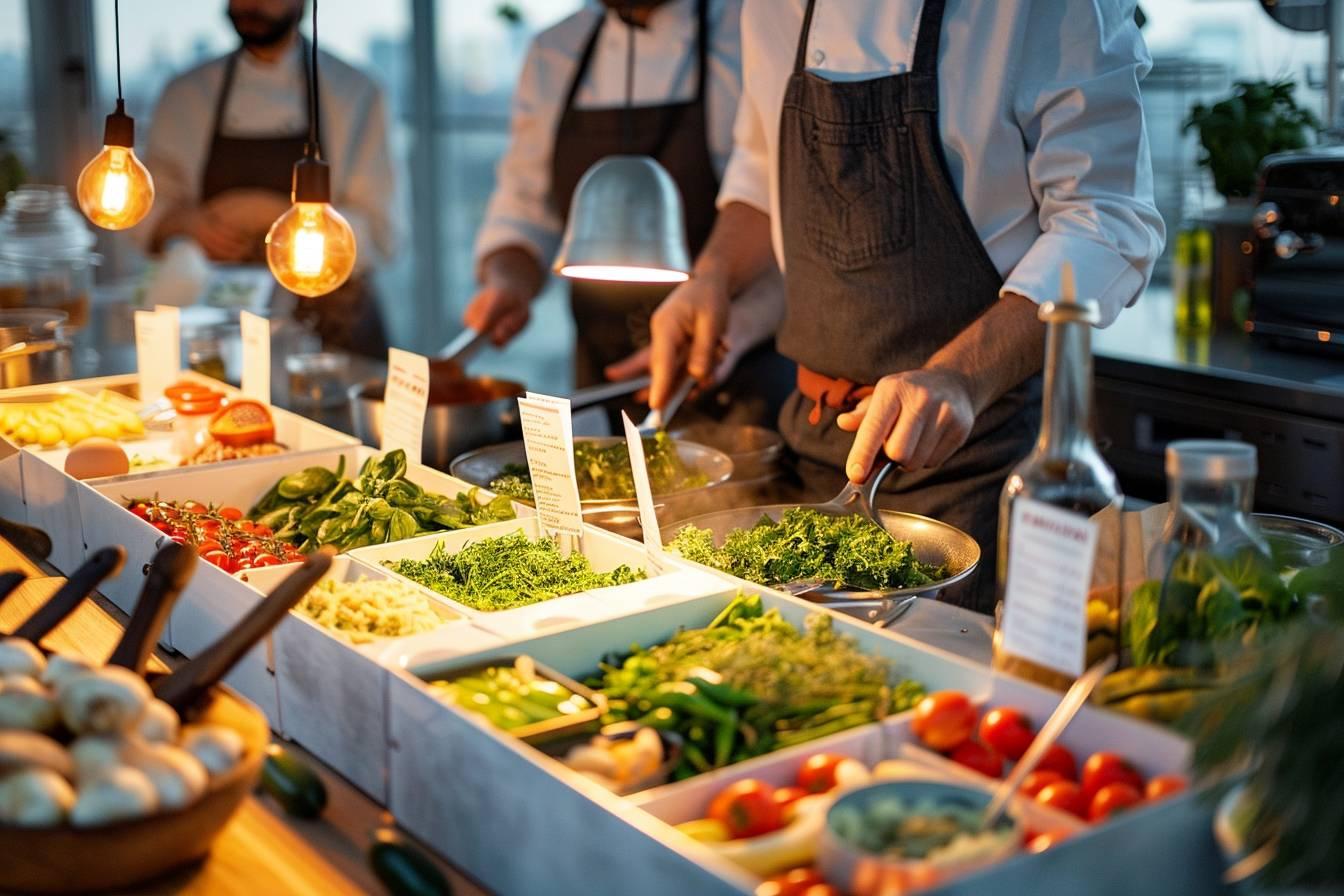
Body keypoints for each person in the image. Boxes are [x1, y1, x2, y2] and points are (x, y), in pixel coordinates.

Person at [643, 0, 1165, 612]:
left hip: (981, 471)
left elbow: (1106, 222)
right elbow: (759, 170)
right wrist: (712, 277)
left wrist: (959, 378)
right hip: (810, 448)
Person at [467, 0, 792, 426]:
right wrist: (509, 280)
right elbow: (524, 207)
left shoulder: (752, 32)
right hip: (602, 375)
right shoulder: (555, 51)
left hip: (734, 369)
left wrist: (733, 320)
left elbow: (784, 219)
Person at [136, 0, 397, 358]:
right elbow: (142, 208)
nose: (251, 3)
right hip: (216, 334)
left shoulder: (357, 92)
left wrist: (277, 217)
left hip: (333, 335)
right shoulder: (185, 93)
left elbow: (383, 234)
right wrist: (186, 221)